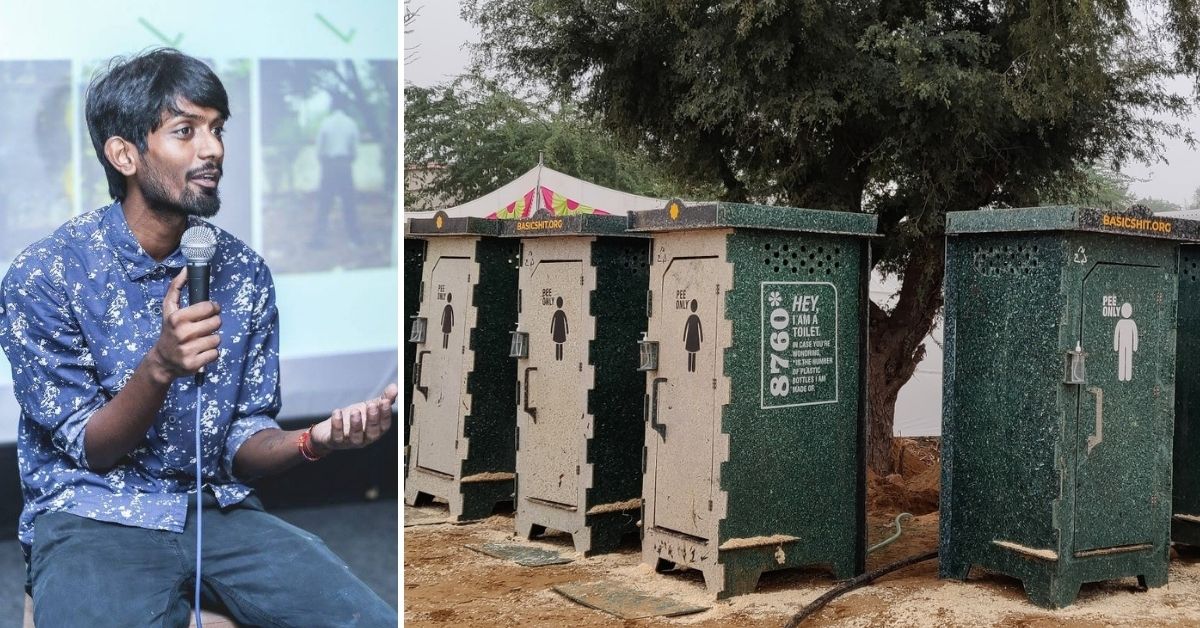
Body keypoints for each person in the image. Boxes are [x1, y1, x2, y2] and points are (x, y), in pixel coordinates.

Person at [0, 49, 397, 627]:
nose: (213, 149)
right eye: (185, 131)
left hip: (216, 513)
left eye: (216, 129)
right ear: (124, 154)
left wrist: (317, 441)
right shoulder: (45, 275)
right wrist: (160, 365)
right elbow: (91, 446)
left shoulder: (244, 271)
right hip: (92, 517)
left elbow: (243, 438)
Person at [313, 93, 362, 245]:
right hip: (344, 165)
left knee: (325, 203)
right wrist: (347, 161)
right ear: (345, 106)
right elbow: (354, 150)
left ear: (333, 105)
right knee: (349, 203)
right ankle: (354, 237)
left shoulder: (325, 123)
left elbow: (319, 149)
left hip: (329, 165)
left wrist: (325, 162)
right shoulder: (351, 123)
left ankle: (318, 239)